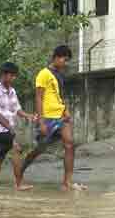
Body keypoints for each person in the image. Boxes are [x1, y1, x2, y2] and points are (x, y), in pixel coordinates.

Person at [20, 45, 82, 191]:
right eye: (64, 59)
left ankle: (67, 183)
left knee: (69, 144)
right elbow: (39, 98)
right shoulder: (43, 74)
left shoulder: (59, 75)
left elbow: (58, 96)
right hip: (47, 117)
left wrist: (65, 110)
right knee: (39, 149)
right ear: (56, 57)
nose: (65, 63)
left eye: (67, 60)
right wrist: (41, 121)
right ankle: (19, 172)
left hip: (61, 116)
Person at [0, 62, 38, 191]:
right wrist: (8, 127)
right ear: (4, 75)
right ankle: (18, 184)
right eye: (12, 75)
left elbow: (17, 109)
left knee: (0, 156)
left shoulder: (12, 91)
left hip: (9, 128)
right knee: (16, 150)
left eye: (15, 76)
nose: (14, 78)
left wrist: (28, 116)